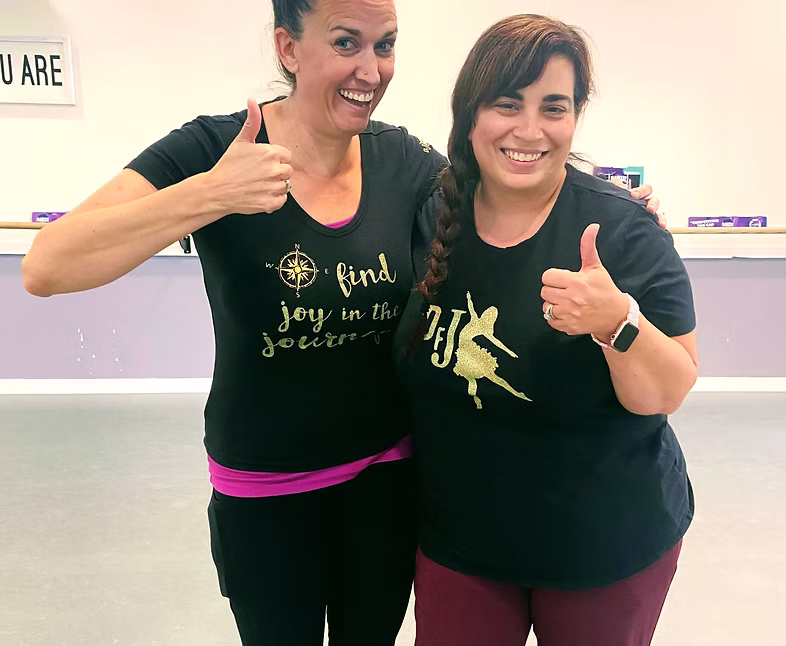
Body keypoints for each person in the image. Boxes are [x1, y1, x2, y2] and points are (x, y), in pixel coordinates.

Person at [21, 2, 662, 644]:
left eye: (385, 45)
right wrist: (208, 194)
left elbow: (504, 178)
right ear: (289, 48)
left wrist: (615, 206)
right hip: (264, 490)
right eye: (347, 43)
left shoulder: (403, 163)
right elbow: (48, 265)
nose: (371, 68)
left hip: (386, 483)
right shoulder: (215, 148)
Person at [396, 13, 698, 646]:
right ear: (471, 113)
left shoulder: (622, 231)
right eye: (507, 104)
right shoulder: (429, 210)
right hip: (461, 543)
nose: (529, 130)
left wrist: (619, 323)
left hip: (603, 548)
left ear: (576, 116)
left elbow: (668, 390)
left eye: (553, 108)